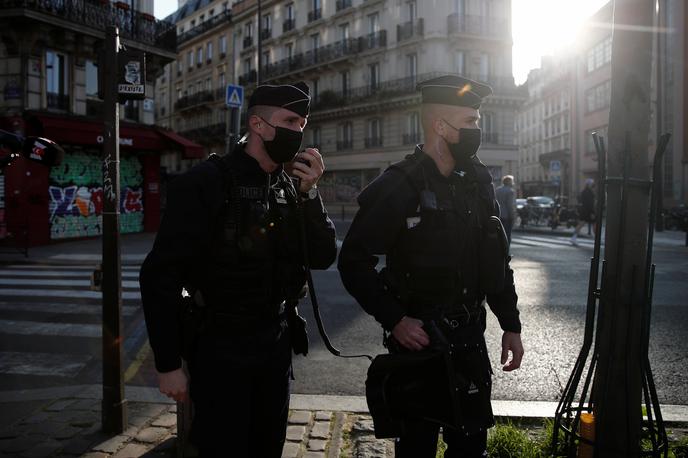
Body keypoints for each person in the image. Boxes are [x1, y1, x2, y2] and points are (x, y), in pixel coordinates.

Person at [139, 82, 337, 457]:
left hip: (275, 344)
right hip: (219, 347)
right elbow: (159, 277)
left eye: (303, 123)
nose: (298, 131)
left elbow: (323, 256)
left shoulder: (290, 185)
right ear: (258, 125)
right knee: (222, 446)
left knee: (268, 445)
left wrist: (311, 194)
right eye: (290, 121)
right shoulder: (206, 182)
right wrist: (167, 364)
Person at [338, 75, 524, 458]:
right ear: (441, 126)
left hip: (470, 339)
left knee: (470, 447)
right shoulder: (400, 183)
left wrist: (511, 324)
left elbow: (494, 260)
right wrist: (395, 319)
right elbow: (354, 261)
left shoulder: (477, 180)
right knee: (417, 449)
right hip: (419, 344)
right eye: (470, 121)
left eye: (478, 120)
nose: (478, 130)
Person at [571, 178, 596, 246]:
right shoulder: (589, 192)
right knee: (591, 224)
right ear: (588, 184)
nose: (593, 185)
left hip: (585, 210)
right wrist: (592, 212)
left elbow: (581, 200)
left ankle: (574, 237)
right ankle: (573, 238)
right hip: (588, 211)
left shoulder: (584, 191)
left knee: (583, 224)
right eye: (592, 184)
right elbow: (589, 203)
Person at [495, 175, 517, 246]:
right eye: (512, 181)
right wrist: (512, 216)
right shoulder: (510, 191)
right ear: (509, 182)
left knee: (499, 235)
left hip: (498, 214)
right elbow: (509, 205)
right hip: (506, 216)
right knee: (507, 235)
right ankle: (506, 252)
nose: (513, 183)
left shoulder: (497, 190)